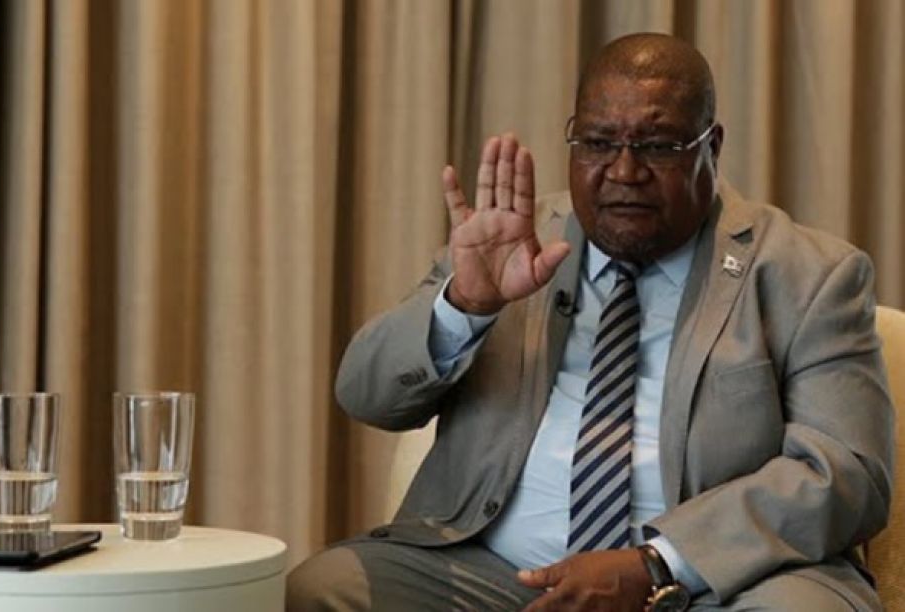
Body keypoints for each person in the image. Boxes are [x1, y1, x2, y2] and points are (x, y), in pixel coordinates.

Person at [289, 32, 894, 611]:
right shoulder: (511, 242)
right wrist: (465, 305)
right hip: (496, 575)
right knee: (324, 590)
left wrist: (655, 564)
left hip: (717, 585)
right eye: (599, 143)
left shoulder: (808, 274)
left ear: (711, 146)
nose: (624, 172)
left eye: (658, 146)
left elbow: (846, 473)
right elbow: (365, 396)